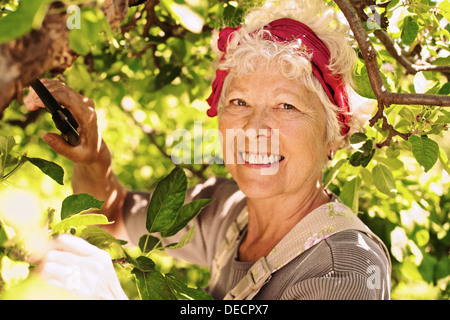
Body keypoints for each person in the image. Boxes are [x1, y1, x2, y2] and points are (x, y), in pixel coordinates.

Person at [25, 0, 391, 300]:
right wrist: (94, 158)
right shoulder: (227, 211)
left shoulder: (345, 272)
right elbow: (113, 215)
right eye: (239, 102)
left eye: (286, 106)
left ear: (334, 135)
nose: (253, 129)